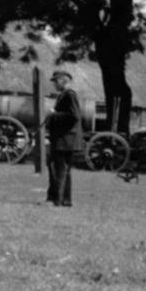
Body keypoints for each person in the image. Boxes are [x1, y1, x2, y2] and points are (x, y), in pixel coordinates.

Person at [45, 70, 83, 207]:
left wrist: (55, 114)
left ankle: (58, 200)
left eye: (56, 81)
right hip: (63, 139)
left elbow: (74, 116)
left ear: (63, 81)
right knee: (62, 170)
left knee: (60, 169)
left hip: (66, 139)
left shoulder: (70, 95)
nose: (54, 84)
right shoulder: (64, 95)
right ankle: (65, 200)